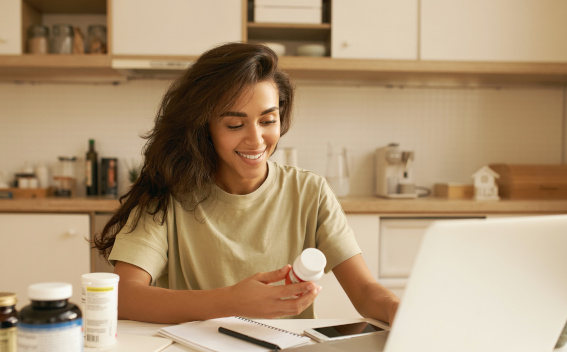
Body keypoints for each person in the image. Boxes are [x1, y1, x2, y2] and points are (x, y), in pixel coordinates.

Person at [94, 42, 400, 325]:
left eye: (268, 121)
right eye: (234, 124)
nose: (256, 140)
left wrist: (397, 310)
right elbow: (122, 297)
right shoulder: (169, 194)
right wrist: (231, 302)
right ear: (205, 127)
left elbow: (365, 292)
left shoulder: (310, 193)